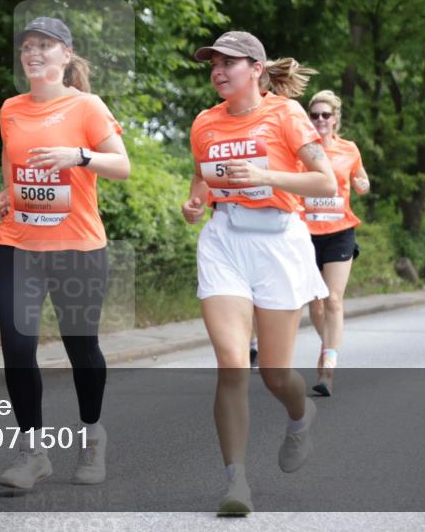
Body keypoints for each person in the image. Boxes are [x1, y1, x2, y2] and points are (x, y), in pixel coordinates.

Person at [181, 31, 335, 516]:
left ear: (256, 69)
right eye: (213, 64)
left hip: (278, 243)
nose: (218, 71)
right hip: (225, 240)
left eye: (228, 63)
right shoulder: (205, 122)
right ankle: (237, 483)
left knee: (274, 373)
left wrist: (266, 175)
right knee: (231, 363)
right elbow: (202, 177)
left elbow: (326, 181)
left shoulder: (286, 114)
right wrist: (195, 203)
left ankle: (300, 414)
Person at [0, 17, 130, 490]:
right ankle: (33, 452)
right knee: (17, 347)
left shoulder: (87, 106)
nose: (34, 53)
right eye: (27, 46)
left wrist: (79, 156)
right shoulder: (11, 108)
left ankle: (92, 436)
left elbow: (122, 165)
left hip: (77, 247)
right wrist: (9, 192)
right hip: (18, 244)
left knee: (80, 347)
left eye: (45, 46)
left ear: (66, 55)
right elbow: (11, 159)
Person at [300, 90, 370, 396]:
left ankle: (328, 368)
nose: (320, 120)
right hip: (305, 233)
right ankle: (329, 342)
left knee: (333, 300)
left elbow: (362, 180)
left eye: (325, 115)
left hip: (340, 230)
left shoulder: (349, 149)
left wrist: (363, 184)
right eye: (314, 115)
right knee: (315, 305)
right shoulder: (302, 149)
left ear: (335, 119)